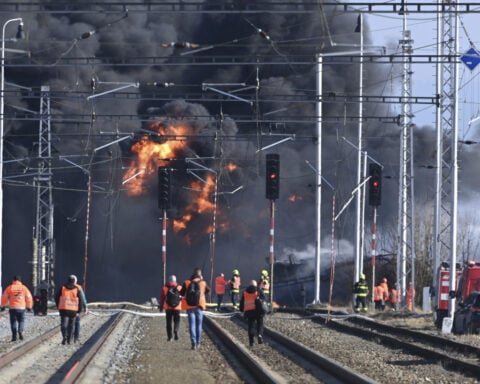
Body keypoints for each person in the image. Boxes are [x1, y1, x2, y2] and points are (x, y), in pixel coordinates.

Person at [181, 267, 209, 350]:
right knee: (199, 325)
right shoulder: (203, 283)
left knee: (192, 325)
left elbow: (182, 292)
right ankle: (198, 343)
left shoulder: (187, 282)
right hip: (199, 307)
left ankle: (193, 343)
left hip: (190, 307)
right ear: (200, 274)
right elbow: (208, 291)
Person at [1, 275, 33, 342]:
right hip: (21, 308)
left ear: (13, 280)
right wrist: (29, 307)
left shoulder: (10, 288)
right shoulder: (24, 288)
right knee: (21, 321)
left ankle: (14, 337)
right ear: (20, 280)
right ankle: (20, 331)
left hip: (12, 308)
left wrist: (2, 306)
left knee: (13, 322)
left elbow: (4, 297)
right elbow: (29, 297)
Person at [55, 275, 85, 345]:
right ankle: (69, 339)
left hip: (64, 310)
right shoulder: (77, 289)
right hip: (73, 311)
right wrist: (79, 310)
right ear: (74, 282)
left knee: (64, 325)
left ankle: (64, 336)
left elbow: (56, 297)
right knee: (72, 325)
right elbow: (80, 300)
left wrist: (58, 306)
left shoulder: (62, 288)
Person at [240, 279, 265, 347]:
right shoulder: (258, 290)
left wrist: (241, 310)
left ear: (250, 285)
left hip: (249, 311)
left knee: (251, 326)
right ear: (255, 285)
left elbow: (242, 302)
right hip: (258, 312)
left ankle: (251, 342)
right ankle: (259, 335)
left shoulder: (245, 292)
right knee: (260, 324)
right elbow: (263, 298)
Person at [159, 275, 182, 341]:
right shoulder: (180, 287)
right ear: (175, 280)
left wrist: (161, 307)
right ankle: (176, 330)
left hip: (168, 308)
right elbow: (183, 297)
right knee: (177, 320)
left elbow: (162, 299)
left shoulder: (165, 288)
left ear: (169, 280)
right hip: (177, 308)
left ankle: (170, 337)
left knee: (168, 322)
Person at [70, 275, 88, 343]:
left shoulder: (64, 287)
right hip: (75, 309)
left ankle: (69, 337)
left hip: (67, 309)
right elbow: (83, 298)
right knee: (77, 323)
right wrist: (85, 307)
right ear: (75, 281)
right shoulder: (78, 288)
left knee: (69, 323)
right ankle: (76, 338)